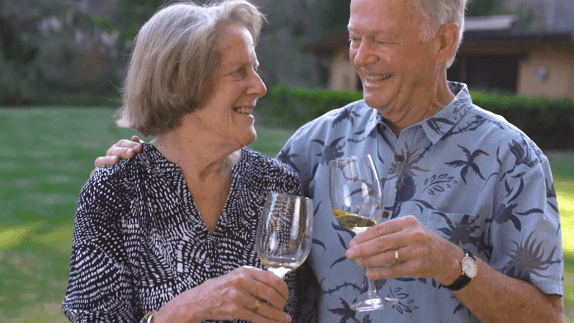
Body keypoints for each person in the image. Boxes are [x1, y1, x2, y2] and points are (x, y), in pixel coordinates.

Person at [95, 0, 565, 321]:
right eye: (354, 37)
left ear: (443, 42)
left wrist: (453, 265)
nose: (361, 57)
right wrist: (147, 159)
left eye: (382, 40)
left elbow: (546, 317)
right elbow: (236, 189)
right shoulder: (314, 144)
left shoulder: (513, 159)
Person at [62, 1, 310, 322]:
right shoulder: (115, 191)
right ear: (183, 82)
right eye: (239, 71)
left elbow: (300, 313)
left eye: (256, 68)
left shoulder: (279, 187)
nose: (260, 87)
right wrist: (184, 310)